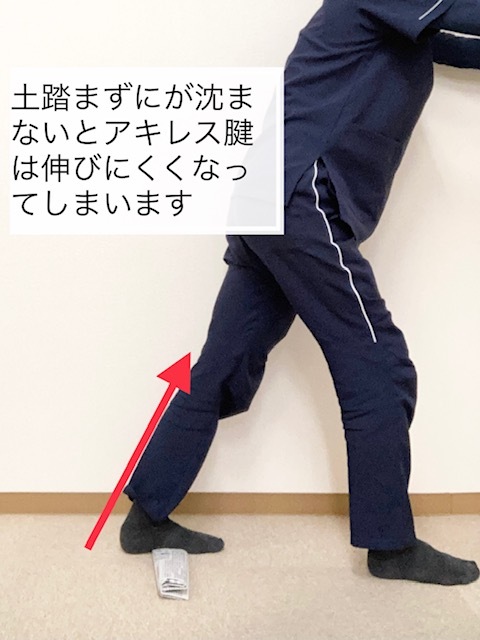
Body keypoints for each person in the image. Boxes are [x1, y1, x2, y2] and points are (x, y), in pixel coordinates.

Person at [120, 0, 480, 586]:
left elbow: (461, 43)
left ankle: (147, 514)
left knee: (223, 362)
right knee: (380, 363)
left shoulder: (406, 19)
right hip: (301, 197)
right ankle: (391, 546)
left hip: (271, 196)